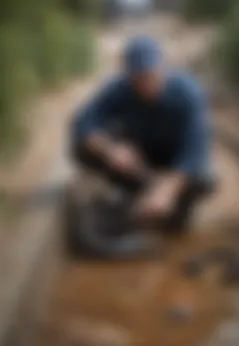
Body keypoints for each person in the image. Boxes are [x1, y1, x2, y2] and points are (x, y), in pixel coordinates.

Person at [70, 36, 214, 233]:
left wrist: (166, 190)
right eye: (138, 78)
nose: (146, 84)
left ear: (163, 68)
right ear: (128, 75)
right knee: (82, 150)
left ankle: (177, 206)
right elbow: (83, 122)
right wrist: (111, 150)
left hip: (173, 162)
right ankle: (133, 194)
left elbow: (196, 150)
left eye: (151, 76)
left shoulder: (188, 93)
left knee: (203, 179)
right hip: (139, 161)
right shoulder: (119, 89)